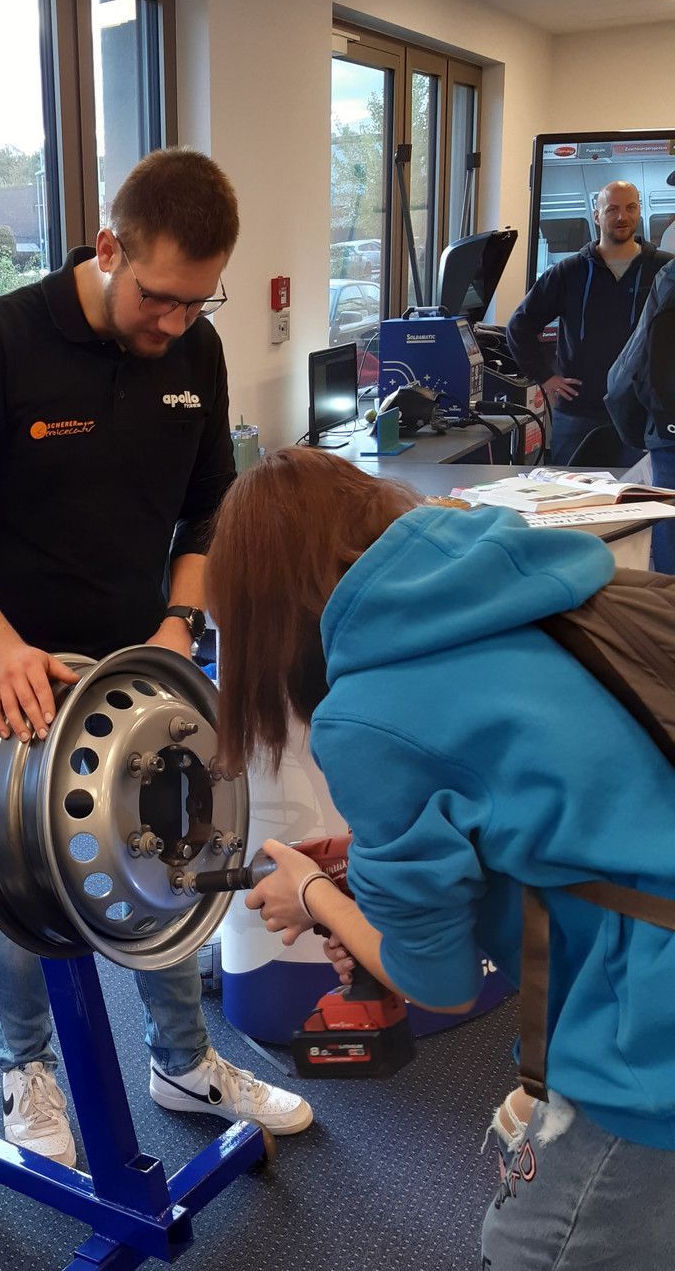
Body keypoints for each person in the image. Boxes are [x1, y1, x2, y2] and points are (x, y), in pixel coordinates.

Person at [0, 148, 312, 1167]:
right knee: (29, 890)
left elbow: (208, 508)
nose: (173, 321)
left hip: (143, 669)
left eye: (196, 299)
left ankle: (183, 1061)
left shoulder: (193, 351)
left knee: (181, 855)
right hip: (17, 679)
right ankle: (24, 1067)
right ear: (106, 247)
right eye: (157, 296)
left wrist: (179, 624)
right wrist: (1, 652)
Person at [205, 446, 675, 1270]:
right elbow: (568, 798)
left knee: (533, 1251)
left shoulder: (368, 712)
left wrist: (313, 895)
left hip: (648, 1031)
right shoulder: (533, 586)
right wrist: (368, 864)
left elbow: (439, 980)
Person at [506, 180, 670, 465]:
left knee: (639, 493)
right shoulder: (569, 272)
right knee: (566, 490)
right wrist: (545, 377)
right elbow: (519, 326)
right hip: (578, 415)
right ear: (597, 215)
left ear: (639, 211)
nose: (622, 216)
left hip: (643, 416)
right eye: (612, 209)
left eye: (630, 208)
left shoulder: (663, 270)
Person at [606, 260, 675, 574]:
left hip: (668, 433)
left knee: (670, 539)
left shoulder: (670, 276)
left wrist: (637, 430)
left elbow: (633, 363)